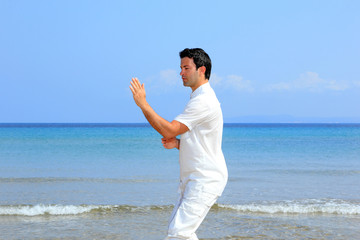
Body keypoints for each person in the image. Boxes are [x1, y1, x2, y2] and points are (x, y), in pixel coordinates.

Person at [129, 48, 228, 240]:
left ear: (202, 70)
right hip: (195, 179)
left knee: (179, 233)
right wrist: (178, 144)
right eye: (180, 68)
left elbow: (169, 129)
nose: (181, 73)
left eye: (186, 68)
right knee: (178, 232)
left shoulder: (204, 101)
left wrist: (143, 104)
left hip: (205, 179)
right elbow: (202, 144)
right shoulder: (198, 98)